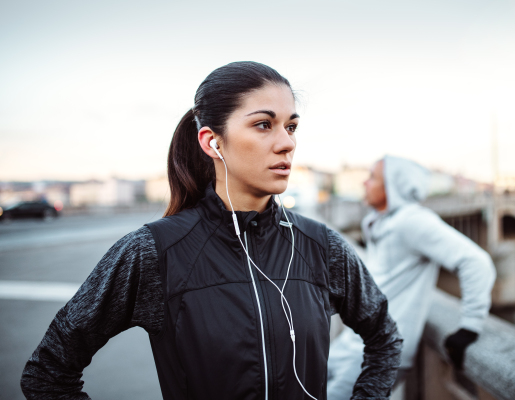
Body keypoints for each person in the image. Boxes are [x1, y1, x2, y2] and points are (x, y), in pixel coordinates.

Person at [21, 62, 402, 400]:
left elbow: (384, 337)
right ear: (212, 141)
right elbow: (48, 373)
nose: (287, 143)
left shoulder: (321, 245)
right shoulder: (155, 251)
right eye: (263, 125)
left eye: (291, 126)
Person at [327, 156, 496, 400]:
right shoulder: (380, 222)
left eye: (373, 177)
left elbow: (476, 262)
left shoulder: (413, 221)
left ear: (393, 185)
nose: (365, 183)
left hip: (378, 356)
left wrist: (470, 327)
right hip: (352, 344)